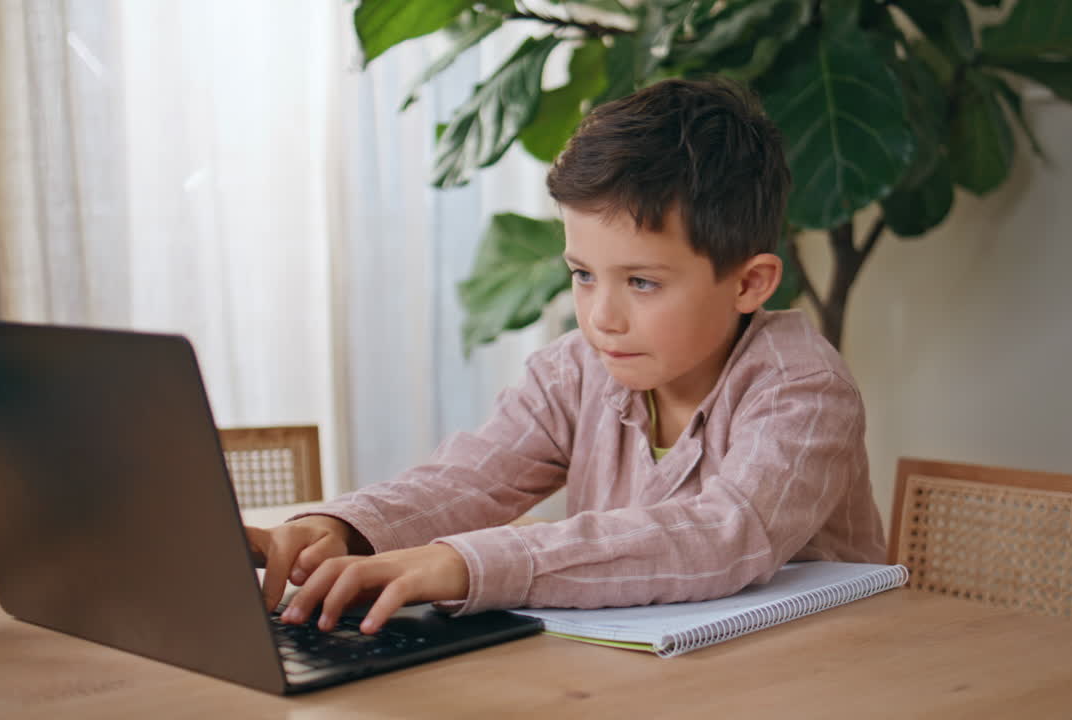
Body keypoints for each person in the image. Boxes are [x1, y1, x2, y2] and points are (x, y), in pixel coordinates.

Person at [246, 77, 885, 635]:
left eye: (642, 282)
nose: (601, 317)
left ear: (749, 284)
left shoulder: (803, 388)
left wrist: (465, 562)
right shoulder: (574, 369)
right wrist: (346, 528)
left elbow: (725, 535)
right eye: (583, 274)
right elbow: (469, 479)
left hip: (809, 677)